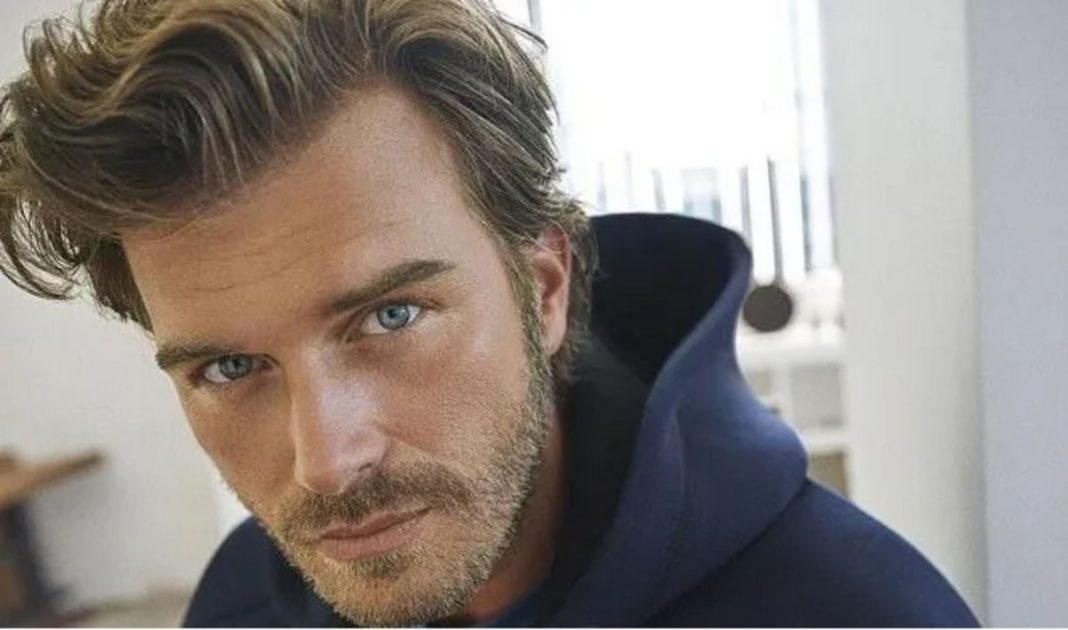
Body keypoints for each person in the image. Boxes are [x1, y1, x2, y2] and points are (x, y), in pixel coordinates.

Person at [0, 0, 978, 626]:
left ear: (543, 288)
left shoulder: (855, 610)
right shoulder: (237, 606)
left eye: (390, 318)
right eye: (228, 368)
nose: (327, 461)